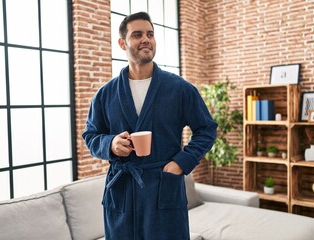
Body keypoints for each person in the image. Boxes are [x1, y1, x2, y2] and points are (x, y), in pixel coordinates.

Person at [82, 11, 217, 240]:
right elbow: (91, 135)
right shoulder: (105, 94)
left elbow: (206, 129)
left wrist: (181, 163)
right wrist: (110, 144)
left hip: (163, 189)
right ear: (122, 43)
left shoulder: (179, 89)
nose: (146, 39)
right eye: (137, 34)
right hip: (122, 192)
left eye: (150, 34)